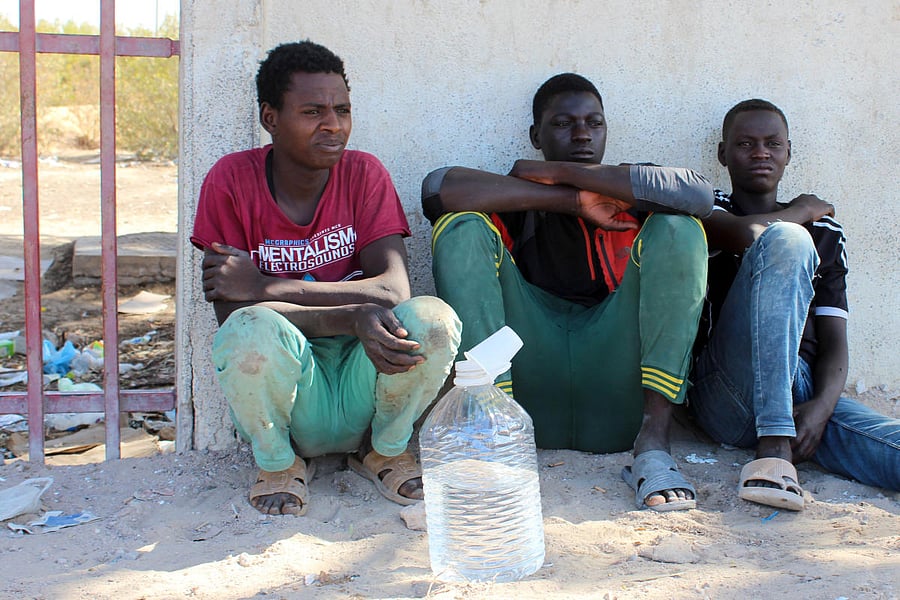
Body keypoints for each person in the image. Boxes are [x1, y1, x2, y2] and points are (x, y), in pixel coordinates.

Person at [191, 40, 460, 516]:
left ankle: (387, 451)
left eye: (342, 110)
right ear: (270, 117)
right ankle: (278, 463)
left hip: (368, 374)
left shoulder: (364, 174)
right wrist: (353, 312)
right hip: (295, 394)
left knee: (432, 320)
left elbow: (393, 290)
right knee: (251, 331)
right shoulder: (230, 181)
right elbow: (234, 315)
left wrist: (264, 287)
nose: (332, 125)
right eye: (313, 111)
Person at [421, 73, 714, 511]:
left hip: (617, 386)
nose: (581, 133)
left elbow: (699, 194)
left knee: (680, 227)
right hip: (527, 388)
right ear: (535, 136)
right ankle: (489, 430)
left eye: (593, 123)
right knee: (459, 227)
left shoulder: (633, 189)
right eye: (563, 124)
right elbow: (436, 189)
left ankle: (654, 445)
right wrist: (569, 200)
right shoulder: (512, 197)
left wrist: (564, 173)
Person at [689, 99, 900, 511]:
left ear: (789, 151)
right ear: (722, 154)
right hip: (726, 393)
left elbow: (834, 339)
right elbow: (744, 235)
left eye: (772, 143)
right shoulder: (704, 208)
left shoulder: (825, 231)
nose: (761, 153)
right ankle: (773, 451)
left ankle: (783, 430)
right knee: (788, 239)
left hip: (798, 394)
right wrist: (800, 210)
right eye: (745, 144)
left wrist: (820, 410)